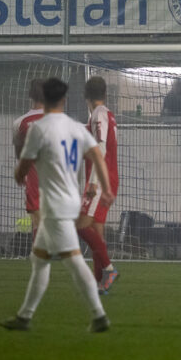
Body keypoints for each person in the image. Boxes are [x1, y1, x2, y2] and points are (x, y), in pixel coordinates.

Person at [0, 77, 112, 333]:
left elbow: (23, 167)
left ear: (43, 98)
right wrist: (105, 189)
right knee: (39, 260)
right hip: (69, 199)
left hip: (54, 203)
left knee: (74, 260)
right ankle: (24, 317)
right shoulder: (74, 127)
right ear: (63, 99)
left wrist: (19, 174)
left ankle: (99, 315)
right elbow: (97, 155)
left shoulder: (39, 129)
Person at [78, 76, 120, 295]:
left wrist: (94, 182)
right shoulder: (107, 115)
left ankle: (109, 269)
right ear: (105, 94)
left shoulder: (98, 115)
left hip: (101, 180)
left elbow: (100, 149)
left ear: (87, 97)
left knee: (81, 225)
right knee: (96, 231)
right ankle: (97, 283)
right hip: (109, 178)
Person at [12, 79, 45, 239]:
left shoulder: (19, 123)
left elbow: (19, 155)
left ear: (30, 95)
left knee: (37, 224)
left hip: (34, 181)